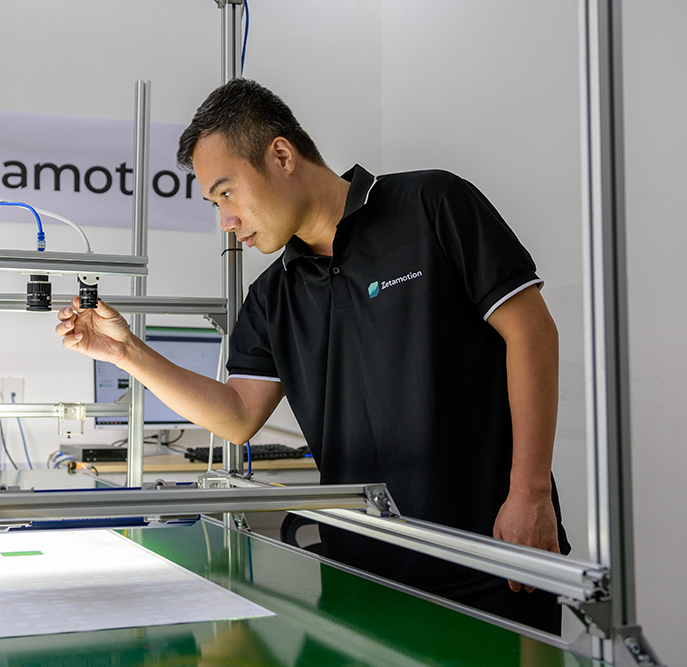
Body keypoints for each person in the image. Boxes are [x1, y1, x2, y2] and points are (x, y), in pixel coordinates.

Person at [56, 78, 570, 633]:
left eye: (226, 193)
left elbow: (532, 333)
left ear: (281, 156)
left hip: (490, 553)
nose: (225, 221)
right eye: (214, 203)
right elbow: (237, 416)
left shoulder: (431, 205)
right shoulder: (272, 296)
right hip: (363, 573)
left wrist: (530, 493)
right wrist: (126, 352)